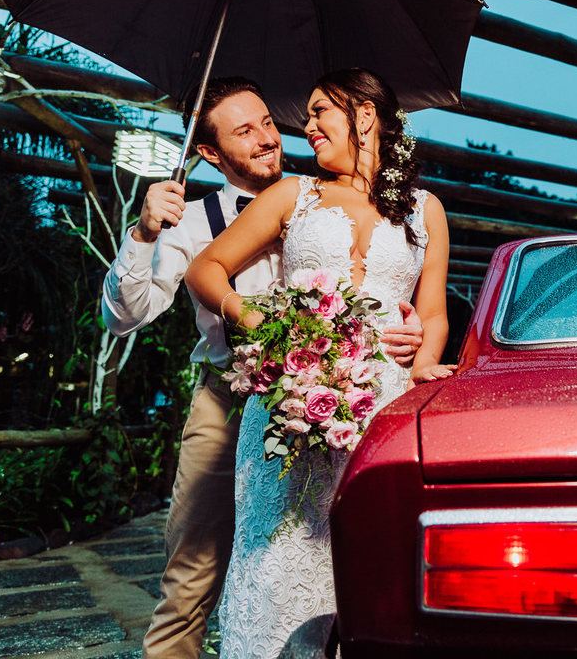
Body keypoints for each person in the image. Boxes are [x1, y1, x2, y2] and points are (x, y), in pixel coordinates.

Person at [101, 77, 424, 659]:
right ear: (209, 152)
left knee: (331, 552)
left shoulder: (320, 192)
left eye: (268, 122)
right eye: (244, 131)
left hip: (347, 397)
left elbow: (396, 283)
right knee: (194, 569)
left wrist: (415, 333)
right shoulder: (194, 221)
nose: (268, 137)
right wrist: (146, 230)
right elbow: (127, 316)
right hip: (231, 398)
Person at [186, 67, 453, 658]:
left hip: (381, 408)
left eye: (318, 113)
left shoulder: (426, 209)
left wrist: (424, 359)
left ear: (363, 116)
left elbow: (433, 313)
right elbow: (204, 269)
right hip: (290, 399)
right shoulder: (292, 195)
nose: (304, 128)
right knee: (280, 562)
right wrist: (248, 314)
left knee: (372, 561)